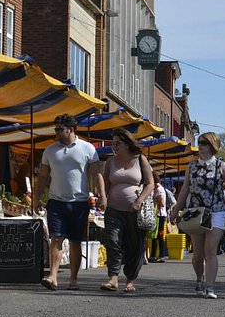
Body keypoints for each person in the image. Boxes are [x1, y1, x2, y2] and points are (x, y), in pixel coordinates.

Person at [172, 131, 225, 298]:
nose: (201, 146)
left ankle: (210, 286)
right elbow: (185, 189)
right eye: (200, 142)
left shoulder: (221, 166)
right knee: (198, 255)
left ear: (212, 146)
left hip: (216, 211)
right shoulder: (191, 166)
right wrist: (176, 209)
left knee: (210, 250)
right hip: (196, 212)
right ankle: (200, 278)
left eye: (204, 143)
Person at [35, 114, 104, 291]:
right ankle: (53, 276)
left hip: (79, 203)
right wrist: (36, 198)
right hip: (56, 201)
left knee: (75, 241)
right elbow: (43, 176)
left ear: (71, 129)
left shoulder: (88, 148)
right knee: (56, 238)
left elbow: (97, 174)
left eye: (60, 129)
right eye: (55, 129)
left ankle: (73, 279)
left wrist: (102, 196)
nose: (56, 132)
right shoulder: (50, 150)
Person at [100, 130, 156, 294]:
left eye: (118, 143)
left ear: (127, 143)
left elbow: (150, 184)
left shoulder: (139, 159)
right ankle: (113, 278)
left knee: (134, 246)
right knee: (112, 242)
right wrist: (103, 197)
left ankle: (130, 280)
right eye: (113, 143)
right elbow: (105, 183)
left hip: (135, 211)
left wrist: (139, 201)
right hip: (113, 210)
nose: (114, 146)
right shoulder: (110, 161)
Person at [149, 181, 169, 263]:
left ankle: (161, 256)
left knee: (159, 236)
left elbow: (162, 203)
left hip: (159, 216)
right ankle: (154, 255)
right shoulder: (160, 189)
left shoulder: (159, 190)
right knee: (155, 236)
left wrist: (156, 201)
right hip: (159, 215)